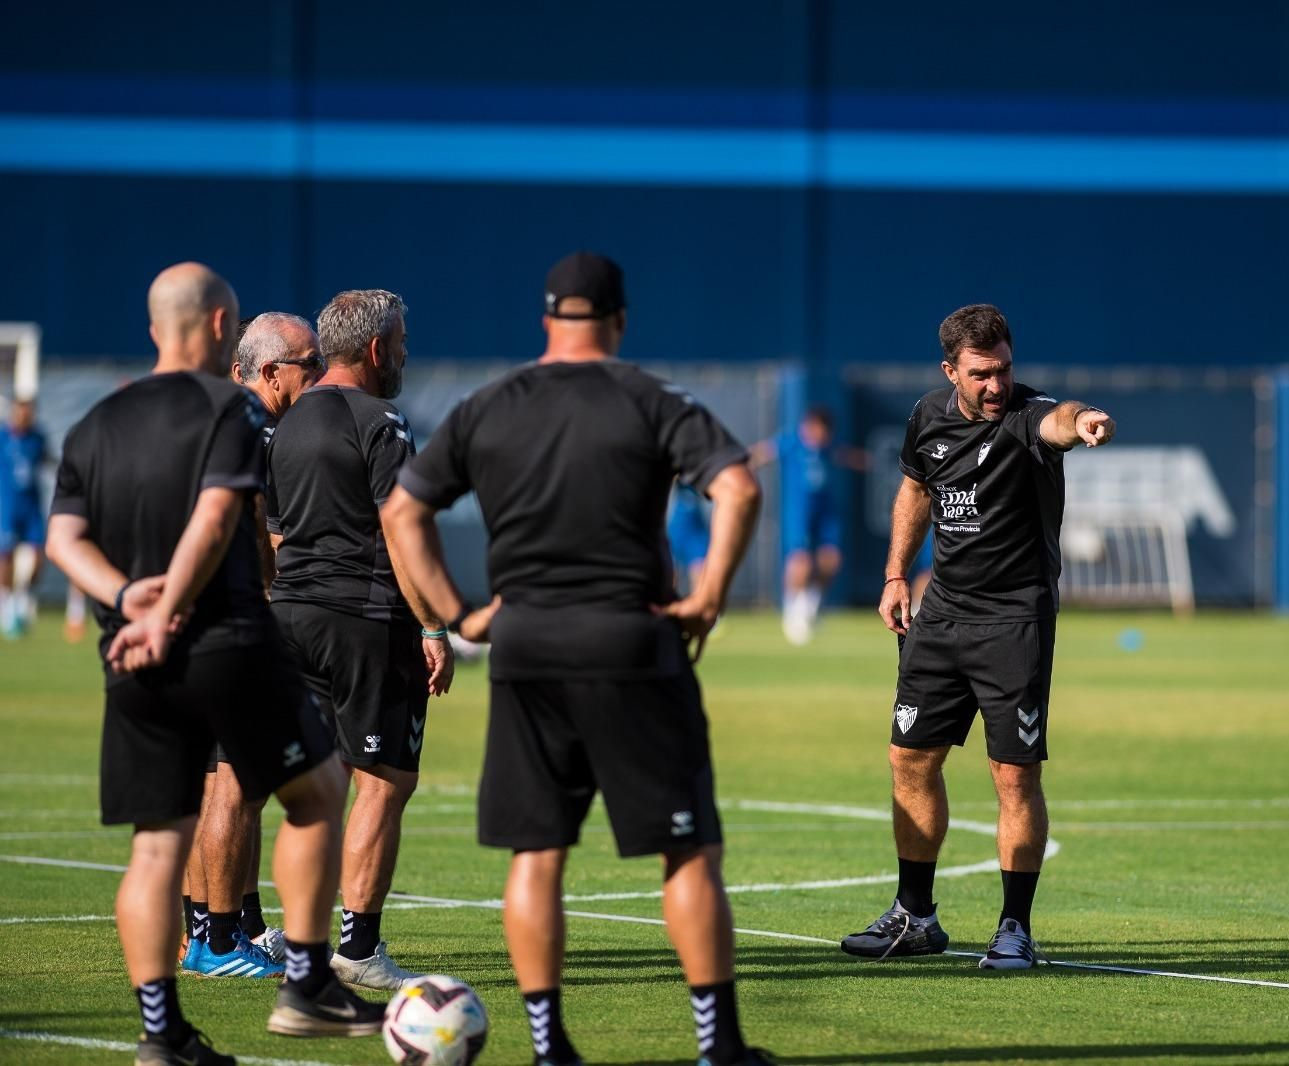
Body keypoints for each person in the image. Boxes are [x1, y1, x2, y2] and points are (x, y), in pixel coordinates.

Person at [381, 251, 772, 1066]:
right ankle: (717, 1047)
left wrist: (459, 614)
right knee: (686, 849)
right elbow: (739, 487)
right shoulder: (652, 398)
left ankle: (549, 1047)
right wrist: (708, 596)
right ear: (620, 320)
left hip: (526, 648)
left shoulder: (487, 405)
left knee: (538, 853)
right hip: (632, 645)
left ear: (546, 320)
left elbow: (401, 512)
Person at [45, 262, 384, 1066]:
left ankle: (162, 1033)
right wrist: (170, 609)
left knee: (156, 846)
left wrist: (127, 602)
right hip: (224, 642)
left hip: (133, 658)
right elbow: (217, 513)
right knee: (320, 793)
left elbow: (62, 540)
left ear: (154, 325)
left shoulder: (96, 422)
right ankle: (307, 984)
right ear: (224, 326)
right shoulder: (231, 412)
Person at [840, 303, 1116, 970]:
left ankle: (1015, 929)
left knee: (1013, 775)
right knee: (910, 760)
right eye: (981, 374)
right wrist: (895, 575)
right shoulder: (926, 416)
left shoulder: (1028, 416)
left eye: (1004, 370)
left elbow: (1059, 417)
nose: (996, 385)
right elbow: (916, 491)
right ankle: (915, 917)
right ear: (951, 372)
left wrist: (1083, 420)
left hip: (1014, 623)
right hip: (940, 618)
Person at [265, 289, 451, 991]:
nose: (403, 353)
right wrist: (432, 624)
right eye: (399, 342)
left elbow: (273, 532)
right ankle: (358, 948)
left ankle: (300, 940)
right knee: (383, 780)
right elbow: (402, 529)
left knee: (317, 787)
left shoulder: (283, 422)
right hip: (367, 621)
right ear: (376, 349)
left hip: (292, 615)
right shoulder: (383, 421)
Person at [180, 312, 325, 978]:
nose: (320, 375)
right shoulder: (257, 433)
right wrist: (277, 578)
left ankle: (213, 929)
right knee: (236, 785)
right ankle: (218, 941)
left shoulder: (202, 419)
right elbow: (260, 525)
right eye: (310, 364)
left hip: (187, 623)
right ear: (270, 372)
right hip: (235, 627)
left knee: (213, 783)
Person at [750, 407, 867, 645]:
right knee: (800, 562)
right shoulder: (791, 443)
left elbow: (846, 455)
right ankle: (792, 612)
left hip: (826, 512)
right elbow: (762, 453)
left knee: (831, 560)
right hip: (799, 513)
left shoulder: (828, 448)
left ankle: (811, 607)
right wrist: (741, 464)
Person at [0, 397, 49, 639]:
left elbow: (47, 461)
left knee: (39, 556)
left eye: (28, 412)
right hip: (7, 506)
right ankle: (7, 605)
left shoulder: (37, 438)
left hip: (31, 508)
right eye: (21, 412)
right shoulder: (3, 438)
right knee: (5, 557)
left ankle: (23, 598)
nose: (24, 416)